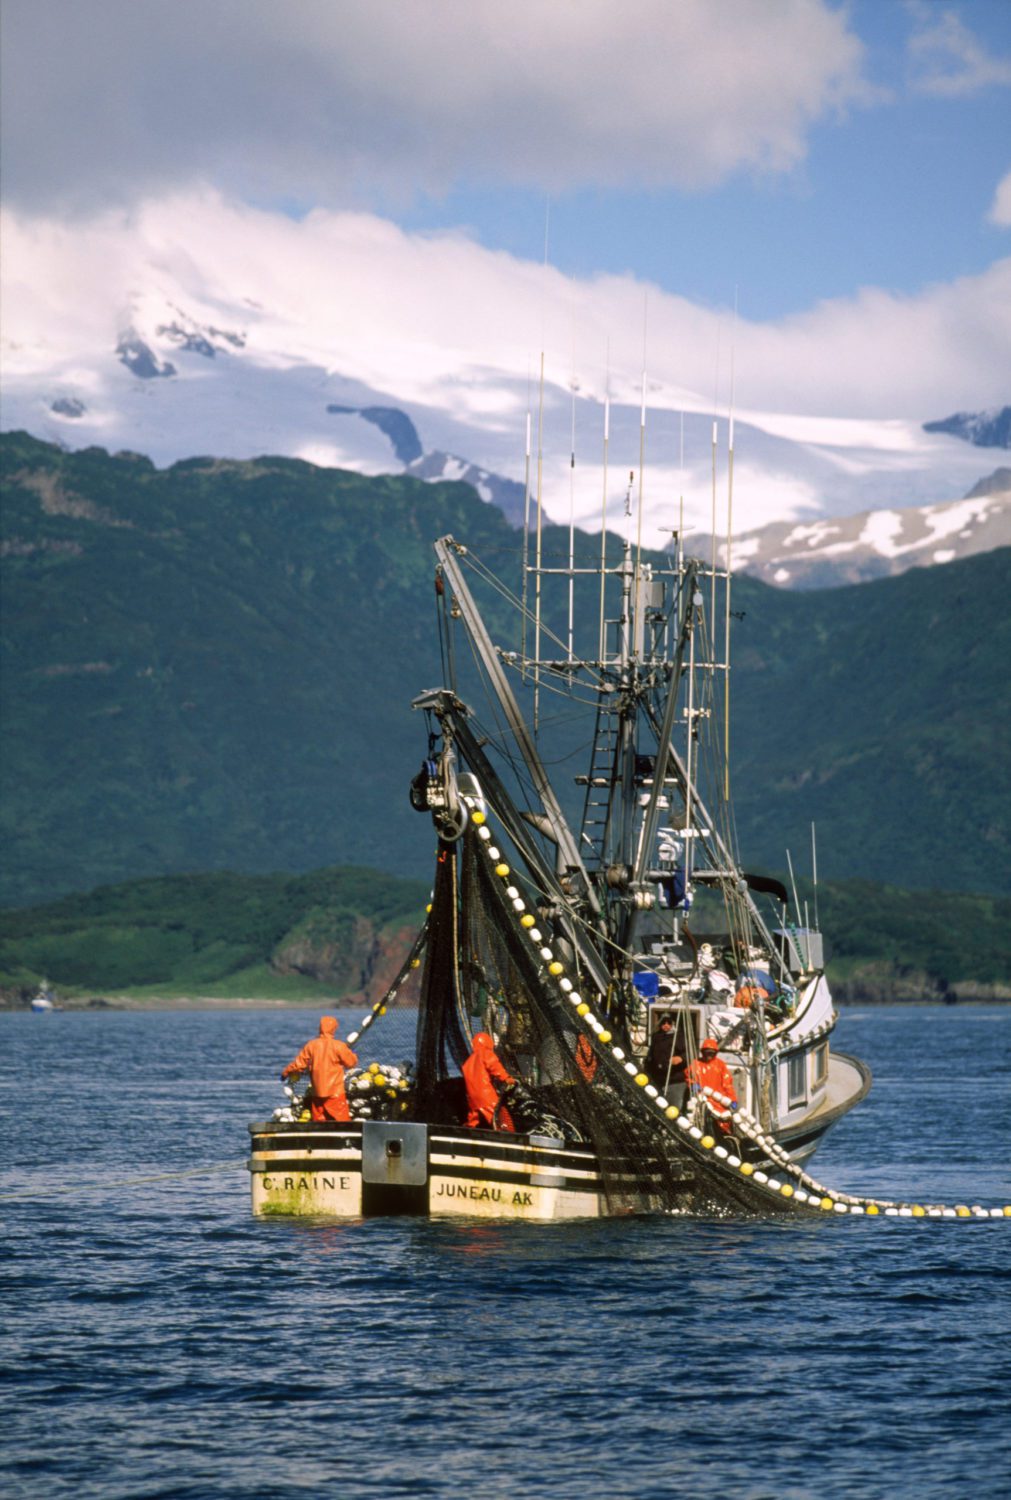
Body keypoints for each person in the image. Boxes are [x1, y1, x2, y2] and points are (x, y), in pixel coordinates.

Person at [281, 1015, 358, 1122]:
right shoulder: (339, 1046)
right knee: (342, 1122)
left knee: (319, 1122)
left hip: (317, 1092)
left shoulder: (311, 1045)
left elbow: (299, 1064)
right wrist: (352, 1055)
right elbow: (351, 1063)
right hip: (335, 1093)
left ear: (320, 1028)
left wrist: (286, 1072)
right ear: (334, 1028)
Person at [462, 1031, 517, 1131]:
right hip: (486, 1095)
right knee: (500, 1115)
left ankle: (467, 1131)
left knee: (474, 1117)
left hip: (472, 1098)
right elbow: (494, 1066)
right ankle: (509, 1133)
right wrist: (507, 1078)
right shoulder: (485, 1053)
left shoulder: (467, 1062)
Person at [684, 1036, 739, 1134]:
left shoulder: (720, 1065)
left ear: (716, 1053)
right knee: (700, 1122)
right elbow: (689, 1076)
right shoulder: (696, 1063)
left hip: (718, 1100)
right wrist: (692, 1084)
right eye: (707, 1052)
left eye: (711, 1053)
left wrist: (733, 1099)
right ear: (702, 1052)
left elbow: (727, 1084)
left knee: (722, 1123)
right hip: (702, 1099)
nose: (709, 1055)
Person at [645, 1012, 687, 1106]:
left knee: (673, 1106)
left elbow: (689, 1054)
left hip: (674, 1079)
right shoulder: (656, 1036)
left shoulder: (679, 1036)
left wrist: (681, 1058)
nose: (666, 1025)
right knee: (657, 1105)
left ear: (673, 1024)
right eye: (663, 1023)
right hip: (658, 1079)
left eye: (669, 1023)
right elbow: (651, 1055)